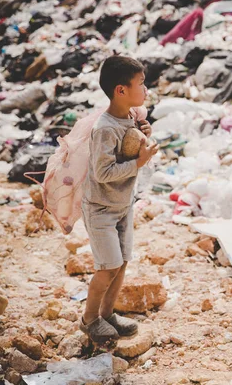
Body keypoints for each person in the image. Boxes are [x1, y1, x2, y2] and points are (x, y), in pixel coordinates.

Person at [79, 55, 158, 344]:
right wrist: (140, 161)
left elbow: (130, 146)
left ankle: (108, 314)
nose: (146, 89)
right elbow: (102, 172)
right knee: (108, 267)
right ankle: (89, 319)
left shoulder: (131, 116)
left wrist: (143, 135)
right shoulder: (105, 128)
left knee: (122, 262)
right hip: (101, 207)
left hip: (122, 204)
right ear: (120, 90)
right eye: (141, 84)